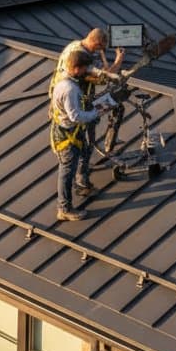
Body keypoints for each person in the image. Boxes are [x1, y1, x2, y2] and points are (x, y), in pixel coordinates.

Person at [51, 28, 124, 194]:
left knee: (79, 147)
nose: (100, 52)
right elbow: (104, 77)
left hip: (62, 106)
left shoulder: (73, 47)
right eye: (100, 48)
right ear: (96, 44)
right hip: (78, 106)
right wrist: (118, 61)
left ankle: (79, 177)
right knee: (86, 143)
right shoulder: (83, 63)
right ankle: (81, 178)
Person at [49, 50, 107, 221]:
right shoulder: (70, 89)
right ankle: (64, 209)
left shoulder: (63, 80)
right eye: (84, 69)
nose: (85, 72)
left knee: (83, 154)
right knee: (67, 171)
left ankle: (81, 185)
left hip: (68, 131)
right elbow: (75, 116)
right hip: (67, 135)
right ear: (76, 68)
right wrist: (96, 113)